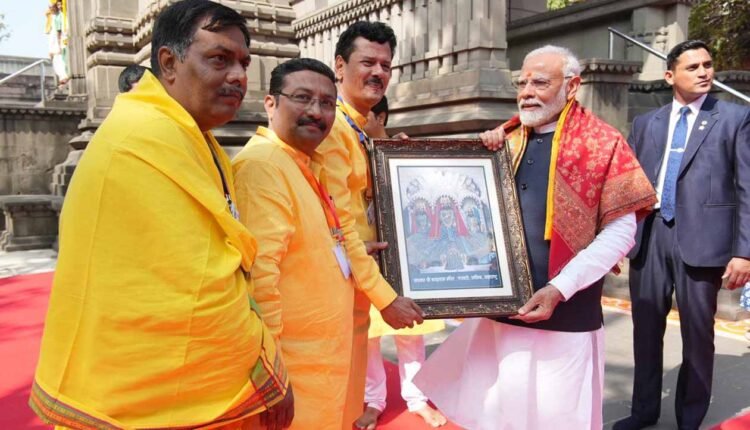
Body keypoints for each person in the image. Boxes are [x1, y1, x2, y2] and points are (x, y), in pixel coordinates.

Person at [29, 1, 291, 428]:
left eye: (244, 62)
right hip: (145, 399)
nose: (239, 76)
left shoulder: (186, 133)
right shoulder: (144, 138)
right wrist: (268, 375)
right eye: (219, 59)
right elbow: (201, 286)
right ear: (168, 63)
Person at [414, 45, 657, 430]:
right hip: (503, 313)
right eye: (522, 81)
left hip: (566, 314)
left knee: (557, 418)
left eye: (540, 82)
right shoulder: (504, 141)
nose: (527, 91)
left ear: (572, 86)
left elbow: (622, 232)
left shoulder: (603, 144)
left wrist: (560, 288)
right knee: (497, 414)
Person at [614, 40, 750, 430]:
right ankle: (643, 412)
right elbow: (629, 186)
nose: (705, 72)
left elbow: (747, 188)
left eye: (708, 65)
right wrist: (621, 241)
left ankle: (689, 419)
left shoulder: (735, 118)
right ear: (670, 75)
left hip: (703, 241)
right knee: (646, 330)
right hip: (651, 236)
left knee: (697, 335)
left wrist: (744, 252)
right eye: (693, 67)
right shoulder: (646, 123)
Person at [313, 21, 425, 428]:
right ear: (339, 66)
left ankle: (401, 397)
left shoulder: (360, 126)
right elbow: (341, 219)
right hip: (343, 277)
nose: (379, 72)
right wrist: (383, 295)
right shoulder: (329, 126)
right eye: (368, 62)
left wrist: (408, 173)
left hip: (371, 270)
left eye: (386, 64)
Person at [232, 57, 354, 429]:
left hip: (322, 359)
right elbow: (260, 280)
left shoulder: (301, 162)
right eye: (302, 98)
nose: (316, 112)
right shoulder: (263, 166)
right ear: (271, 104)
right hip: (292, 370)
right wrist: (272, 374)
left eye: (327, 103)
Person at [356, 95, 447, 429]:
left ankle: (417, 398)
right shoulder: (346, 149)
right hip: (367, 255)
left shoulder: (400, 152)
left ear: (380, 118)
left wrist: (412, 157)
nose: (354, 122)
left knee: (411, 332)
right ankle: (374, 399)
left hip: (407, 257)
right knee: (368, 335)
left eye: (363, 116)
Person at [45, 1, 69, 85]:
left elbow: (59, 32)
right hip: (56, 43)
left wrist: (58, 45)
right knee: (57, 59)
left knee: (60, 59)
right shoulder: (55, 17)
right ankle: (62, 77)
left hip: (59, 43)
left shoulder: (59, 16)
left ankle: (63, 76)